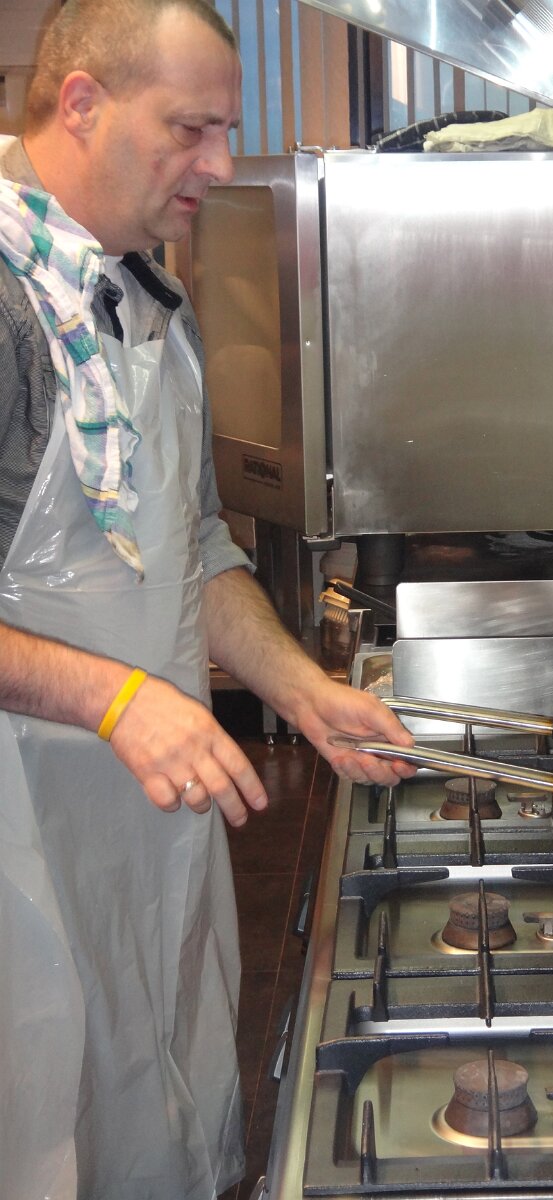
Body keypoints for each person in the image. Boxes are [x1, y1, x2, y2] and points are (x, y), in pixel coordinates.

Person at [0, 2, 415, 1197]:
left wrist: (305, 692)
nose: (224, 165)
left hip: (143, 821)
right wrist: (116, 698)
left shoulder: (142, 295)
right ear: (83, 104)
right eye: (192, 128)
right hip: (23, 840)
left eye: (226, 129)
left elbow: (188, 550)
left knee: (145, 1105)